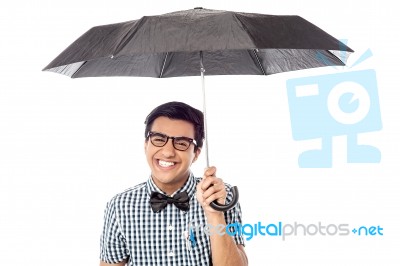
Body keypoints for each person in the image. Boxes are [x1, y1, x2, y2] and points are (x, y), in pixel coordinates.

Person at [99, 101, 248, 266]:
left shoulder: (221, 196)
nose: (168, 152)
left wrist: (214, 214)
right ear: (145, 145)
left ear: (196, 153)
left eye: (182, 143)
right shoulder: (119, 205)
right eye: (158, 139)